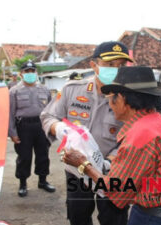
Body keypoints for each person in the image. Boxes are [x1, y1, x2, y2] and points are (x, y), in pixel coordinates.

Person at [63, 66, 161, 225]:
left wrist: (84, 165)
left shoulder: (140, 136)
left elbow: (117, 192)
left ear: (123, 99)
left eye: (110, 97)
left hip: (152, 218)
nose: (109, 103)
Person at [40, 41, 133, 225]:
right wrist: (59, 129)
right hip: (76, 169)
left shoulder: (129, 97)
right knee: (78, 216)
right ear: (94, 65)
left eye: (121, 65)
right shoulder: (72, 90)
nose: (116, 69)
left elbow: (132, 134)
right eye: (110, 64)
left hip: (111, 172)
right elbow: (48, 115)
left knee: (113, 218)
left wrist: (108, 162)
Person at [8, 60, 55, 197]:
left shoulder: (44, 90)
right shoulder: (14, 91)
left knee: (43, 155)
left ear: (36, 73)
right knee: (24, 156)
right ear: (21, 74)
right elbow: (10, 113)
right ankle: (23, 183)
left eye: (32, 71)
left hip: (41, 126)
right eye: (26, 71)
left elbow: (51, 111)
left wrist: (50, 129)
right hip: (23, 127)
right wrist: (12, 133)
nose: (30, 74)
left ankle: (43, 180)